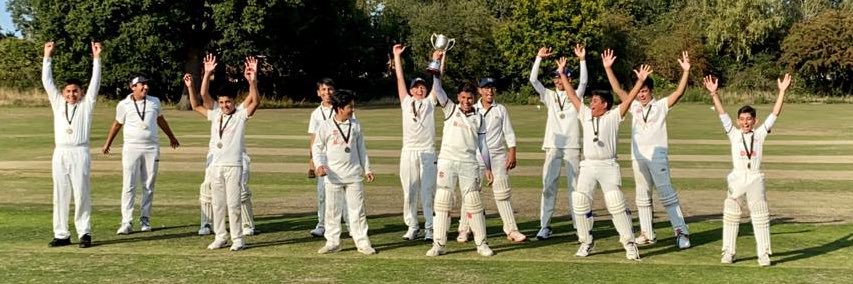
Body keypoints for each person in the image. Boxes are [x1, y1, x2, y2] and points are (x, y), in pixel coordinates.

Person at [557, 54, 648, 260]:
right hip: (588, 165)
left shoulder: (614, 116)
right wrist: (562, 74)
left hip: (608, 165)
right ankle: (586, 242)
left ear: (605, 104)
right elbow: (572, 96)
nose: (592, 103)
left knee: (615, 202)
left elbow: (630, 99)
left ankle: (629, 244)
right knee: (579, 202)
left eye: (596, 100)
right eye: (592, 100)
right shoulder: (585, 114)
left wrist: (640, 81)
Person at [602, 49, 692, 248]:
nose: (641, 95)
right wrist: (608, 68)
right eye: (639, 91)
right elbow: (617, 90)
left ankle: (681, 232)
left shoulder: (660, 106)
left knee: (667, 195)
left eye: (644, 91)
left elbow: (678, 93)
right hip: (638, 157)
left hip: (657, 157)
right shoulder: (633, 106)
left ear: (651, 91)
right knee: (642, 196)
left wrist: (685, 71)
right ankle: (647, 233)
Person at [703, 73, 791, 267]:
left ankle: (764, 254)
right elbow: (722, 114)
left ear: (755, 121)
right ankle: (728, 252)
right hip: (737, 177)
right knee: (731, 214)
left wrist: (782, 92)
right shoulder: (733, 134)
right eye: (742, 119)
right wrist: (714, 94)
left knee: (760, 215)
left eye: (748, 119)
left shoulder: (760, 134)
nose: (745, 122)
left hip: (755, 177)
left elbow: (775, 114)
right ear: (737, 121)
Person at [186, 54, 260, 251]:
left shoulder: (240, 115)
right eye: (222, 102)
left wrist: (252, 81)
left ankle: (238, 239)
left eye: (228, 102)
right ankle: (220, 236)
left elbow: (255, 101)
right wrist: (207, 73)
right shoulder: (215, 114)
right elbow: (200, 100)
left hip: (234, 165)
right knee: (218, 205)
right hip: (215, 165)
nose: (225, 105)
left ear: (234, 101)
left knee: (234, 205)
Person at [426, 51, 495, 257]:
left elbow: (483, 145)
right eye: (463, 97)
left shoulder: (479, 118)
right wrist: (436, 63)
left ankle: (481, 244)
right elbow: (437, 88)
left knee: (474, 202)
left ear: (475, 98)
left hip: (468, 164)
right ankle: (438, 245)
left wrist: (489, 168)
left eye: (469, 97)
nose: (466, 101)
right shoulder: (450, 109)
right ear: (458, 97)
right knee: (443, 201)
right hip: (447, 162)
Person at [42, 41, 102, 248]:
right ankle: (61, 234)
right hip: (60, 153)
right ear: (63, 92)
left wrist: (96, 58)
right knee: (60, 193)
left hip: (80, 152)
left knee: (81, 192)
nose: (71, 95)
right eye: (68, 91)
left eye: (75, 91)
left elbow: (95, 83)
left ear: (81, 92)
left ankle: (84, 233)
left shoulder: (87, 105)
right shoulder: (58, 103)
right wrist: (47, 57)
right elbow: (47, 82)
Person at [103, 76, 180, 234]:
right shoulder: (123, 104)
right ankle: (126, 222)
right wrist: (108, 143)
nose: (145, 87)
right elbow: (117, 124)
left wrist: (171, 137)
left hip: (151, 147)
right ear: (132, 87)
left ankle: (145, 219)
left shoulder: (155, 102)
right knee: (129, 185)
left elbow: (161, 120)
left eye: (146, 84)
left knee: (148, 185)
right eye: (141, 85)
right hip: (131, 147)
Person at [456, 77, 526, 243]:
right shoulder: (471, 108)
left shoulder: (500, 109)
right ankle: (464, 229)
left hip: (497, 156)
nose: (489, 91)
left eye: (492, 88)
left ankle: (511, 230)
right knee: (470, 193)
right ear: (479, 91)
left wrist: (512, 152)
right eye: (485, 88)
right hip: (475, 157)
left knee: (502, 194)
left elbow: (508, 132)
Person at [528, 44, 588, 240]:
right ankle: (544, 225)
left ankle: (579, 225)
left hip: (571, 145)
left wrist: (582, 60)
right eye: (556, 77)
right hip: (553, 145)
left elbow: (584, 82)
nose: (558, 80)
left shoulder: (575, 94)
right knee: (548, 185)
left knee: (575, 187)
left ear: (568, 78)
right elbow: (533, 79)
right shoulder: (549, 95)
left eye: (562, 76)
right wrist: (539, 57)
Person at [312, 90, 377, 255]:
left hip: (354, 175)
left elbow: (361, 149)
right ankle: (333, 242)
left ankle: (362, 243)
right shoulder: (325, 126)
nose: (352, 110)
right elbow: (317, 148)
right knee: (332, 212)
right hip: (332, 177)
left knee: (358, 211)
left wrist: (367, 169)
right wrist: (319, 165)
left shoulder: (355, 125)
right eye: (350, 107)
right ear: (339, 108)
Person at [392, 44, 438, 241]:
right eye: (416, 87)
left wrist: (438, 59)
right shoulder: (405, 102)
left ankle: (430, 228)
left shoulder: (430, 101)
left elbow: (438, 80)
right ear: (411, 90)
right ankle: (412, 226)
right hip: (409, 151)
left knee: (428, 192)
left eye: (422, 87)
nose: (420, 89)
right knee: (409, 191)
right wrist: (396, 57)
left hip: (427, 151)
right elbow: (400, 78)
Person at [307, 78, 349, 238]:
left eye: (330, 89)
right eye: (323, 90)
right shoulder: (316, 114)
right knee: (322, 192)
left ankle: (350, 225)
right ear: (318, 93)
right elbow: (313, 139)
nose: (327, 93)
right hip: (322, 157)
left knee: (345, 191)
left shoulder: (342, 108)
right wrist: (312, 163)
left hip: (340, 154)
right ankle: (322, 224)